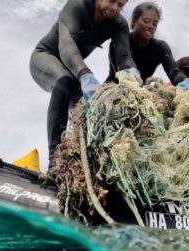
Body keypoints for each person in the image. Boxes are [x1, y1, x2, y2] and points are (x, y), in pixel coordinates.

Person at [29, 0, 141, 164]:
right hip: (47, 56)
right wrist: (85, 74)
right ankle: (54, 160)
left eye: (121, 5)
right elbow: (66, 42)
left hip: (74, 69)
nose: (116, 8)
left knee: (86, 108)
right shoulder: (77, 6)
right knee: (64, 82)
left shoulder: (119, 24)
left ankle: (78, 160)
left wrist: (131, 71)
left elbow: (124, 57)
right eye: (112, 1)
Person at [105, 2, 189, 89]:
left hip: (141, 90)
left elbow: (174, 73)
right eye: (146, 21)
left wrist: (185, 81)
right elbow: (122, 68)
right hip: (115, 86)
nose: (151, 26)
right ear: (133, 22)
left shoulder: (160, 48)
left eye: (155, 24)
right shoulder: (120, 41)